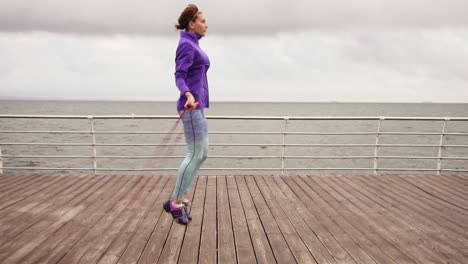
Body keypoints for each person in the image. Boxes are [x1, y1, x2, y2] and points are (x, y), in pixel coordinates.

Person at [163, 4, 210, 225]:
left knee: (202, 154)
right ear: (191, 24)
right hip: (191, 106)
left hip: (198, 106)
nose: (206, 25)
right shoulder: (186, 45)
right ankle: (176, 202)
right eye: (202, 21)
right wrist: (188, 94)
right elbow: (179, 76)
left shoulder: (193, 44)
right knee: (193, 154)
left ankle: (182, 194)